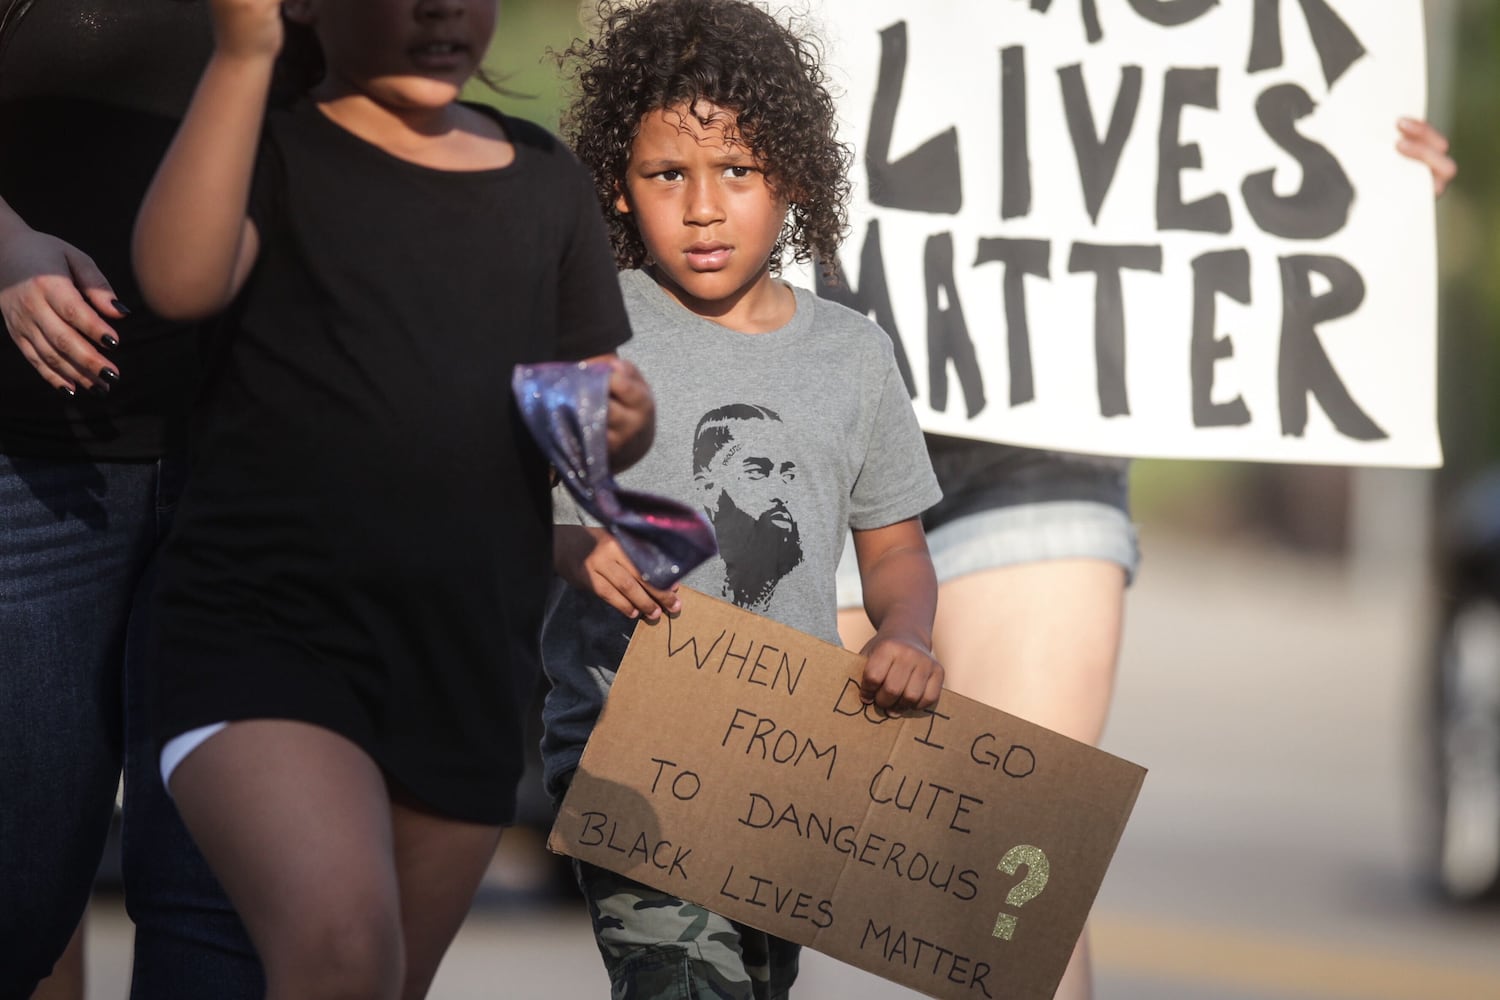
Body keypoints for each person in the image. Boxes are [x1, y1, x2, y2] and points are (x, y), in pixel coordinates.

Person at [834, 119, 1459, 1000]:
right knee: (729, 859)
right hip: (795, 412)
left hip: (1042, 434)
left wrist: (1355, 184)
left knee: (1013, 853)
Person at [129, 0, 655, 996]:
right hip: (264, 638)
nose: (439, 9)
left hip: (463, 663)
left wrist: (622, 420)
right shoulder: (268, 148)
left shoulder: (546, 179)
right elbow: (178, 278)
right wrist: (245, 51)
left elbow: (588, 402)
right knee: (341, 952)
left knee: (380, 981)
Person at [541, 1, 945, 996]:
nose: (705, 207)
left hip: (785, 765)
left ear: (794, 179)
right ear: (619, 190)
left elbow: (896, 551)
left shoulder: (854, 354)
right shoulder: (589, 319)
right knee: (683, 981)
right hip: (631, 750)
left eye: (739, 171)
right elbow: (509, 491)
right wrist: (574, 545)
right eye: (667, 175)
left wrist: (912, 636)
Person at [0, 2, 261, 996]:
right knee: (22, 884)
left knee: (215, 902)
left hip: (248, 473)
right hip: (35, 466)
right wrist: (7, 250)